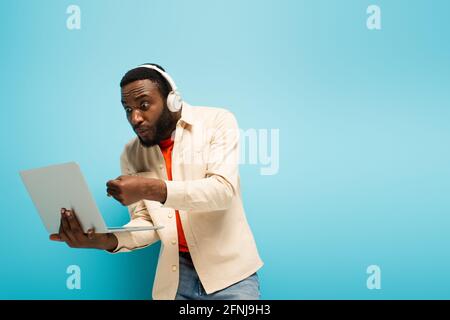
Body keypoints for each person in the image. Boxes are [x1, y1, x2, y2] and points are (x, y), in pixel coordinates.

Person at [50, 63, 263, 300]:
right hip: (175, 280)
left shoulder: (217, 122)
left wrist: (148, 188)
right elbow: (147, 224)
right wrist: (105, 240)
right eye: (127, 109)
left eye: (143, 105)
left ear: (172, 100)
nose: (135, 118)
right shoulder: (131, 154)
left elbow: (222, 191)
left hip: (232, 276)